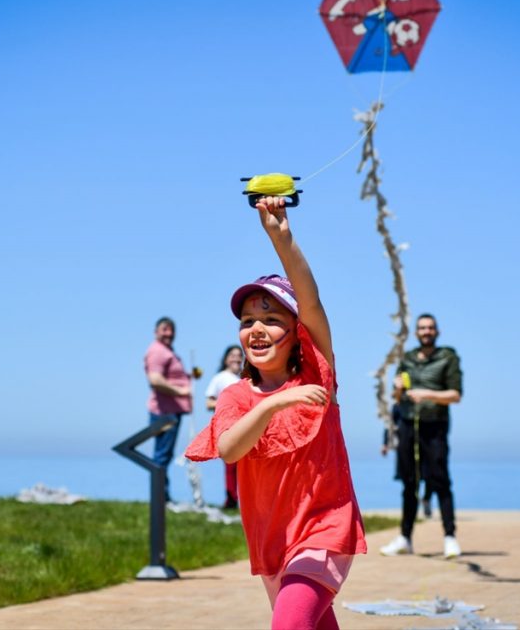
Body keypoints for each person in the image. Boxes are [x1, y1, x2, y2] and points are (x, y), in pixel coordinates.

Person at [186, 196, 366, 630]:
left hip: (323, 531)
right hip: (273, 544)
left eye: (270, 317)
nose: (256, 328)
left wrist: (280, 237)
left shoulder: (317, 372)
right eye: (247, 321)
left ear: (296, 333)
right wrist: (273, 403)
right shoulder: (234, 396)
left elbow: (312, 303)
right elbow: (229, 450)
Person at [380, 313, 462, 559]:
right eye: (422, 328)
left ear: (437, 331)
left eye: (430, 328)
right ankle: (405, 537)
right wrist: (397, 389)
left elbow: (456, 395)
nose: (426, 331)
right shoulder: (407, 359)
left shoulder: (448, 357)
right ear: (417, 333)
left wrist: (427, 394)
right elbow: (397, 398)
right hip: (408, 425)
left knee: (440, 481)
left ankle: (450, 537)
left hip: (435, 426)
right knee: (409, 483)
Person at [143, 317, 193, 502]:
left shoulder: (167, 351)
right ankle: (160, 497)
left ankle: (162, 495)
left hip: (170, 411)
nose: (169, 333)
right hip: (164, 412)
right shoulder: (157, 351)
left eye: (171, 329)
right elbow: (155, 380)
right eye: (164, 329)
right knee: (162, 455)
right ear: (156, 331)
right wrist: (181, 391)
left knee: (164, 454)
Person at [205, 345, 244, 509]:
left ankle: (244, 501)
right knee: (230, 463)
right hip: (227, 425)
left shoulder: (245, 378)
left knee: (245, 466)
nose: (236, 358)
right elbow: (208, 403)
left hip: (245, 425)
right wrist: (229, 405)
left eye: (239, 355)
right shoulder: (220, 378)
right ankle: (231, 499)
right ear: (226, 358)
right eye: (232, 355)